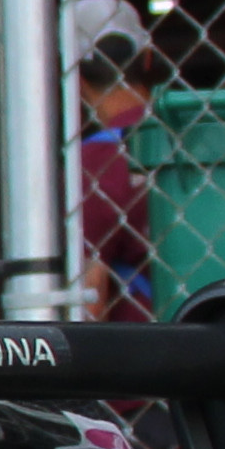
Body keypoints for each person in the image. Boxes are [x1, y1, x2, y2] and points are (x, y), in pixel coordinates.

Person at [74, 31, 160, 321]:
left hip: (145, 344)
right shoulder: (195, 133)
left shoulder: (92, 161)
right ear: (148, 60)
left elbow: (90, 295)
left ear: (77, 80)